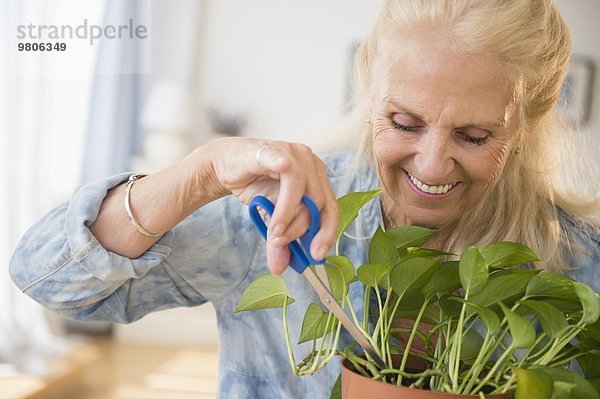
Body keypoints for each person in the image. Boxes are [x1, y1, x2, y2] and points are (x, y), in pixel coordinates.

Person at [10, 0, 600, 397]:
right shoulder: (280, 212)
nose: (431, 163)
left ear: (528, 121)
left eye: (474, 136)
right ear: (369, 85)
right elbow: (48, 281)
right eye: (403, 121)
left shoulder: (580, 269)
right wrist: (198, 175)